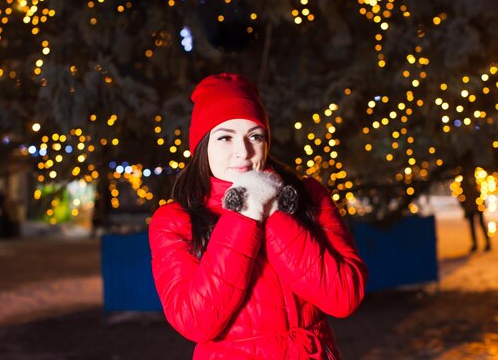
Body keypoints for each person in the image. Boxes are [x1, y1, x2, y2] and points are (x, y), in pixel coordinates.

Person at [149, 73, 368, 360]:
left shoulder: (308, 196)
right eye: (225, 137)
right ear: (202, 145)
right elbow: (195, 321)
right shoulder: (175, 221)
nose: (243, 151)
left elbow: (344, 296)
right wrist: (246, 213)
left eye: (255, 135)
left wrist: (274, 210)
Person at [460, 171, 491, 252]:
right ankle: (477, 244)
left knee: (479, 225)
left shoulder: (475, 182)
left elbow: (480, 194)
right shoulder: (466, 184)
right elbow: (461, 197)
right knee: (474, 226)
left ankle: (486, 243)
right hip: (472, 207)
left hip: (477, 206)